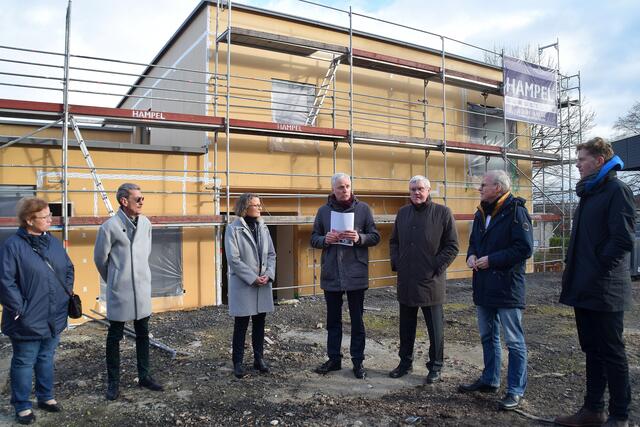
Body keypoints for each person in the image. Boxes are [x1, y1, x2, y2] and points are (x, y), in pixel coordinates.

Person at [555, 137, 635, 427]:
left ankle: (619, 415)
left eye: (581, 159)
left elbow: (622, 240)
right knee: (592, 350)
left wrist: (597, 269)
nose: (577, 164)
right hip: (584, 287)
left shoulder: (616, 190)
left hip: (605, 288)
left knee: (612, 352)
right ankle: (593, 410)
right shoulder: (590, 192)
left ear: (599, 161)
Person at [458, 169, 533, 411]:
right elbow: (473, 243)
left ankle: (515, 390)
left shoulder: (516, 212)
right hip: (483, 286)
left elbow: (524, 248)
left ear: (498, 188)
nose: (479, 188)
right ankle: (490, 380)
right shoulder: (481, 213)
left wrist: (492, 259)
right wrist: (471, 256)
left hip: (507, 288)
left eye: (483, 185)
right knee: (488, 336)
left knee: (514, 341)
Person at [0, 198, 74, 425]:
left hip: (54, 314)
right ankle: (21, 406)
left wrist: (65, 295)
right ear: (29, 220)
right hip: (26, 317)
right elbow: (5, 281)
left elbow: (68, 268)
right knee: (24, 361)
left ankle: (45, 397)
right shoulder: (12, 246)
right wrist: (20, 309)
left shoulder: (52, 242)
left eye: (50, 215)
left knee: (46, 357)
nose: (51, 220)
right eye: (45, 217)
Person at [94, 183, 163, 401]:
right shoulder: (109, 227)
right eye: (138, 199)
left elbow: (146, 252)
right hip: (120, 291)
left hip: (142, 289)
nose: (142, 202)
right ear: (124, 201)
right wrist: (115, 280)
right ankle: (113, 383)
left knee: (143, 334)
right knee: (115, 336)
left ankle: (145, 376)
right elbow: (100, 259)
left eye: (143, 198)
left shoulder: (146, 224)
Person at [388, 175, 459, 384]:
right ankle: (405, 363)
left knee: (435, 329)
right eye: (412, 190)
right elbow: (394, 241)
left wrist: (435, 266)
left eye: (420, 189)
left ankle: (435, 367)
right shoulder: (403, 213)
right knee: (406, 327)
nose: (416, 193)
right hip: (407, 280)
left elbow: (452, 246)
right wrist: (397, 262)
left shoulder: (443, 213)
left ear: (428, 191)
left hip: (431, 282)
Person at [311, 173, 380, 379]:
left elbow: (375, 236)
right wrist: (326, 239)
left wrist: (360, 237)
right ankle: (334, 359)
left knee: (357, 320)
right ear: (333, 189)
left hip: (356, 272)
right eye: (340, 187)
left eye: (348, 186)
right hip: (332, 273)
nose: (345, 190)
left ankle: (358, 362)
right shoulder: (323, 211)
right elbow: (313, 238)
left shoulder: (363, 209)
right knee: (333, 320)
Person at [225, 193, 276, 379]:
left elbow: (271, 254)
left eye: (259, 205)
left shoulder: (263, 227)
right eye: (256, 205)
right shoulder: (233, 229)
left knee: (260, 323)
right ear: (245, 208)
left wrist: (268, 274)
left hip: (262, 283)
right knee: (241, 324)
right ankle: (237, 362)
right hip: (244, 284)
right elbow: (233, 259)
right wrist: (252, 277)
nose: (260, 208)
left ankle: (258, 358)